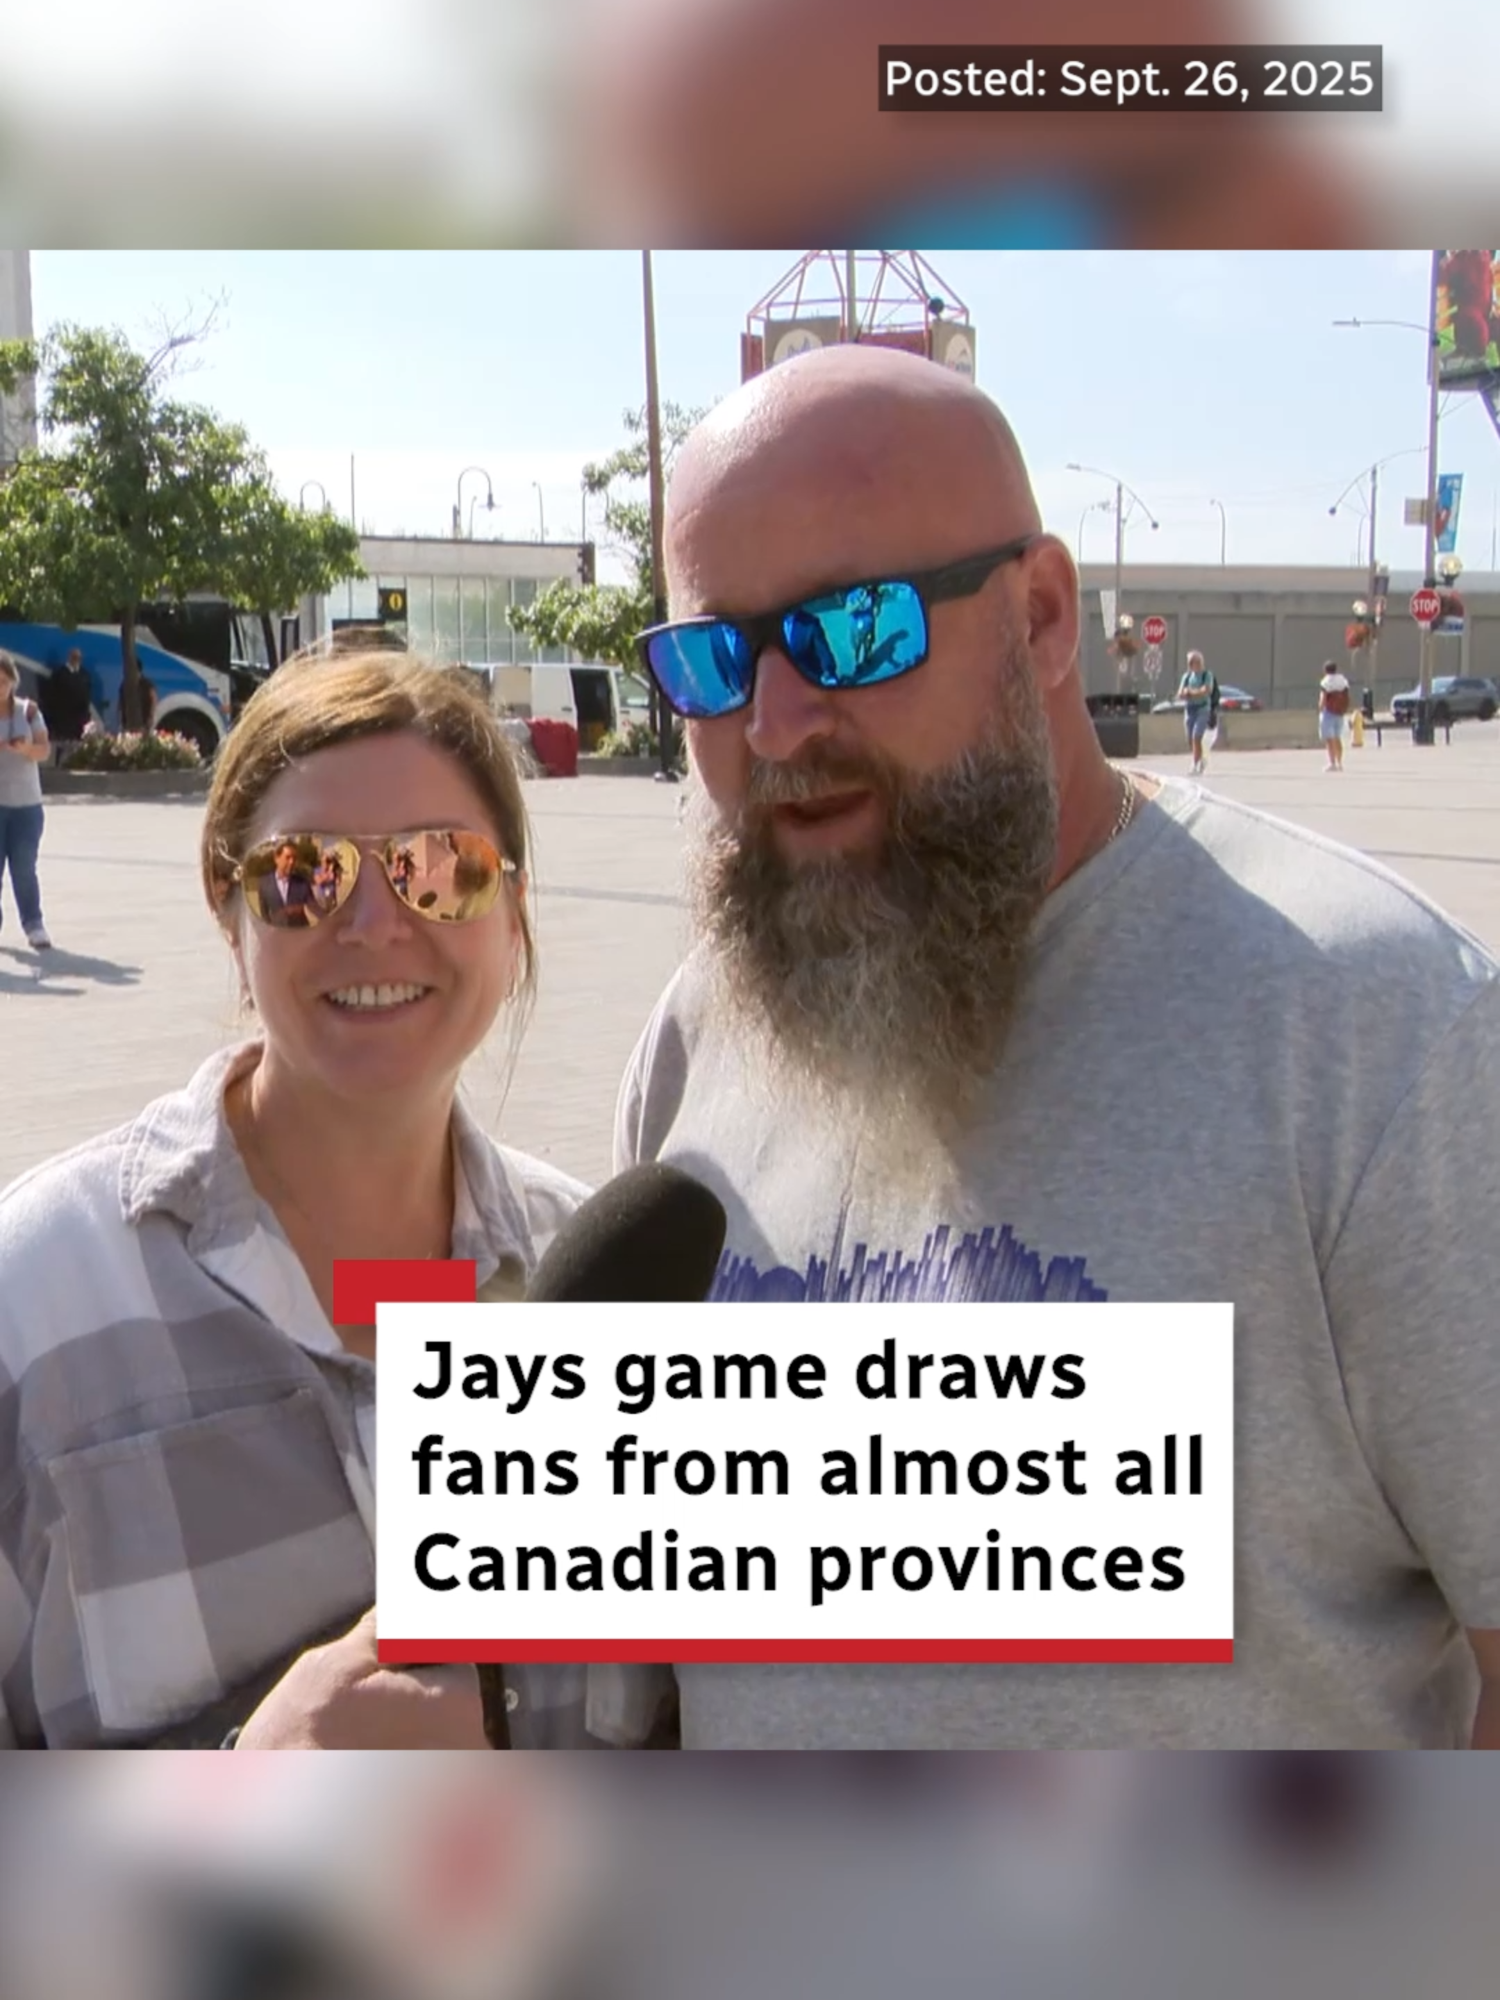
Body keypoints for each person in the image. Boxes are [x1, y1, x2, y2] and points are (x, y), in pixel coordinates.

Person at [613, 344, 1500, 1750]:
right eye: (712, 660)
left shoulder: (1379, 1034)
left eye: (857, 630)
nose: (776, 722)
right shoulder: (703, 1031)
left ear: (1037, 617)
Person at [0, 648, 632, 1750]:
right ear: (226, 903)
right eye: (305, 872)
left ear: (513, 907)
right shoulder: (39, 1308)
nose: (378, 923)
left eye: (442, 866)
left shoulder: (612, 1290)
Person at [0, 652, 52, 950]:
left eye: (4, 681)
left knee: (23, 868)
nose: (0, 687)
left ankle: (34, 924)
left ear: (13, 681)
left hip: (26, 806)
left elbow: (44, 750)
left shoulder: (28, 712)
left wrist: (25, 749)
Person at [38, 648, 94, 766]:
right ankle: (60, 764)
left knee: (77, 743)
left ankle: (77, 762)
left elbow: (87, 695)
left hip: (79, 717)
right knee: (62, 744)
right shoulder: (60, 674)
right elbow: (51, 697)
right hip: (63, 717)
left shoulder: (84, 675)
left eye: (78, 658)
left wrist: (86, 715)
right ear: (69, 657)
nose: (76, 660)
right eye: (74, 657)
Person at [1176, 649, 1215, 774]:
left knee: (1196, 736)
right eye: (1193, 662)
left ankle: (1196, 765)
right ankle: (1200, 758)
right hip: (1190, 710)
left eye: (1198, 662)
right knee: (1190, 739)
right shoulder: (1186, 677)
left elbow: (1206, 690)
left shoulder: (1207, 675)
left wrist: (1190, 692)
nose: (1196, 664)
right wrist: (1188, 693)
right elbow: (1180, 693)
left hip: (1202, 709)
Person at [1318, 658, 1351, 771]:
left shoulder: (1326, 681)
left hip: (1329, 712)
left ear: (1325, 670)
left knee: (1329, 739)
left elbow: (1323, 698)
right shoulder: (1343, 680)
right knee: (1337, 738)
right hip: (1340, 712)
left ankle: (1332, 763)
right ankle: (1340, 762)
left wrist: (1321, 708)